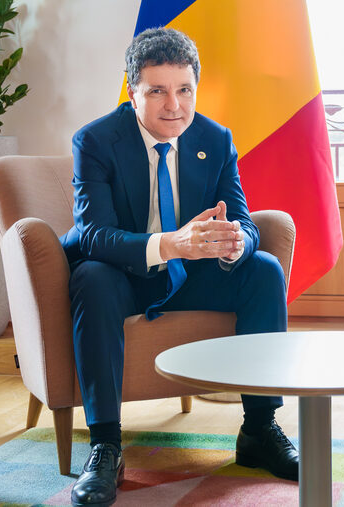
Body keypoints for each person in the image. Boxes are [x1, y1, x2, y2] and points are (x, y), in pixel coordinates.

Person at [61, 28, 298, 507]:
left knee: (264, 270)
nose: (174, 106)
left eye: (184, 90)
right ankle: (105, 446)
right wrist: (171, 245)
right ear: (132, 91)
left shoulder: (215, 138)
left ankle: (259, 429)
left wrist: (234, 244)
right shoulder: (96, 140)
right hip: (125, 275)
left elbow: (244, 220)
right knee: (90, 277)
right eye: (157, 91)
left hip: (191, 275)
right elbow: (93, 235)